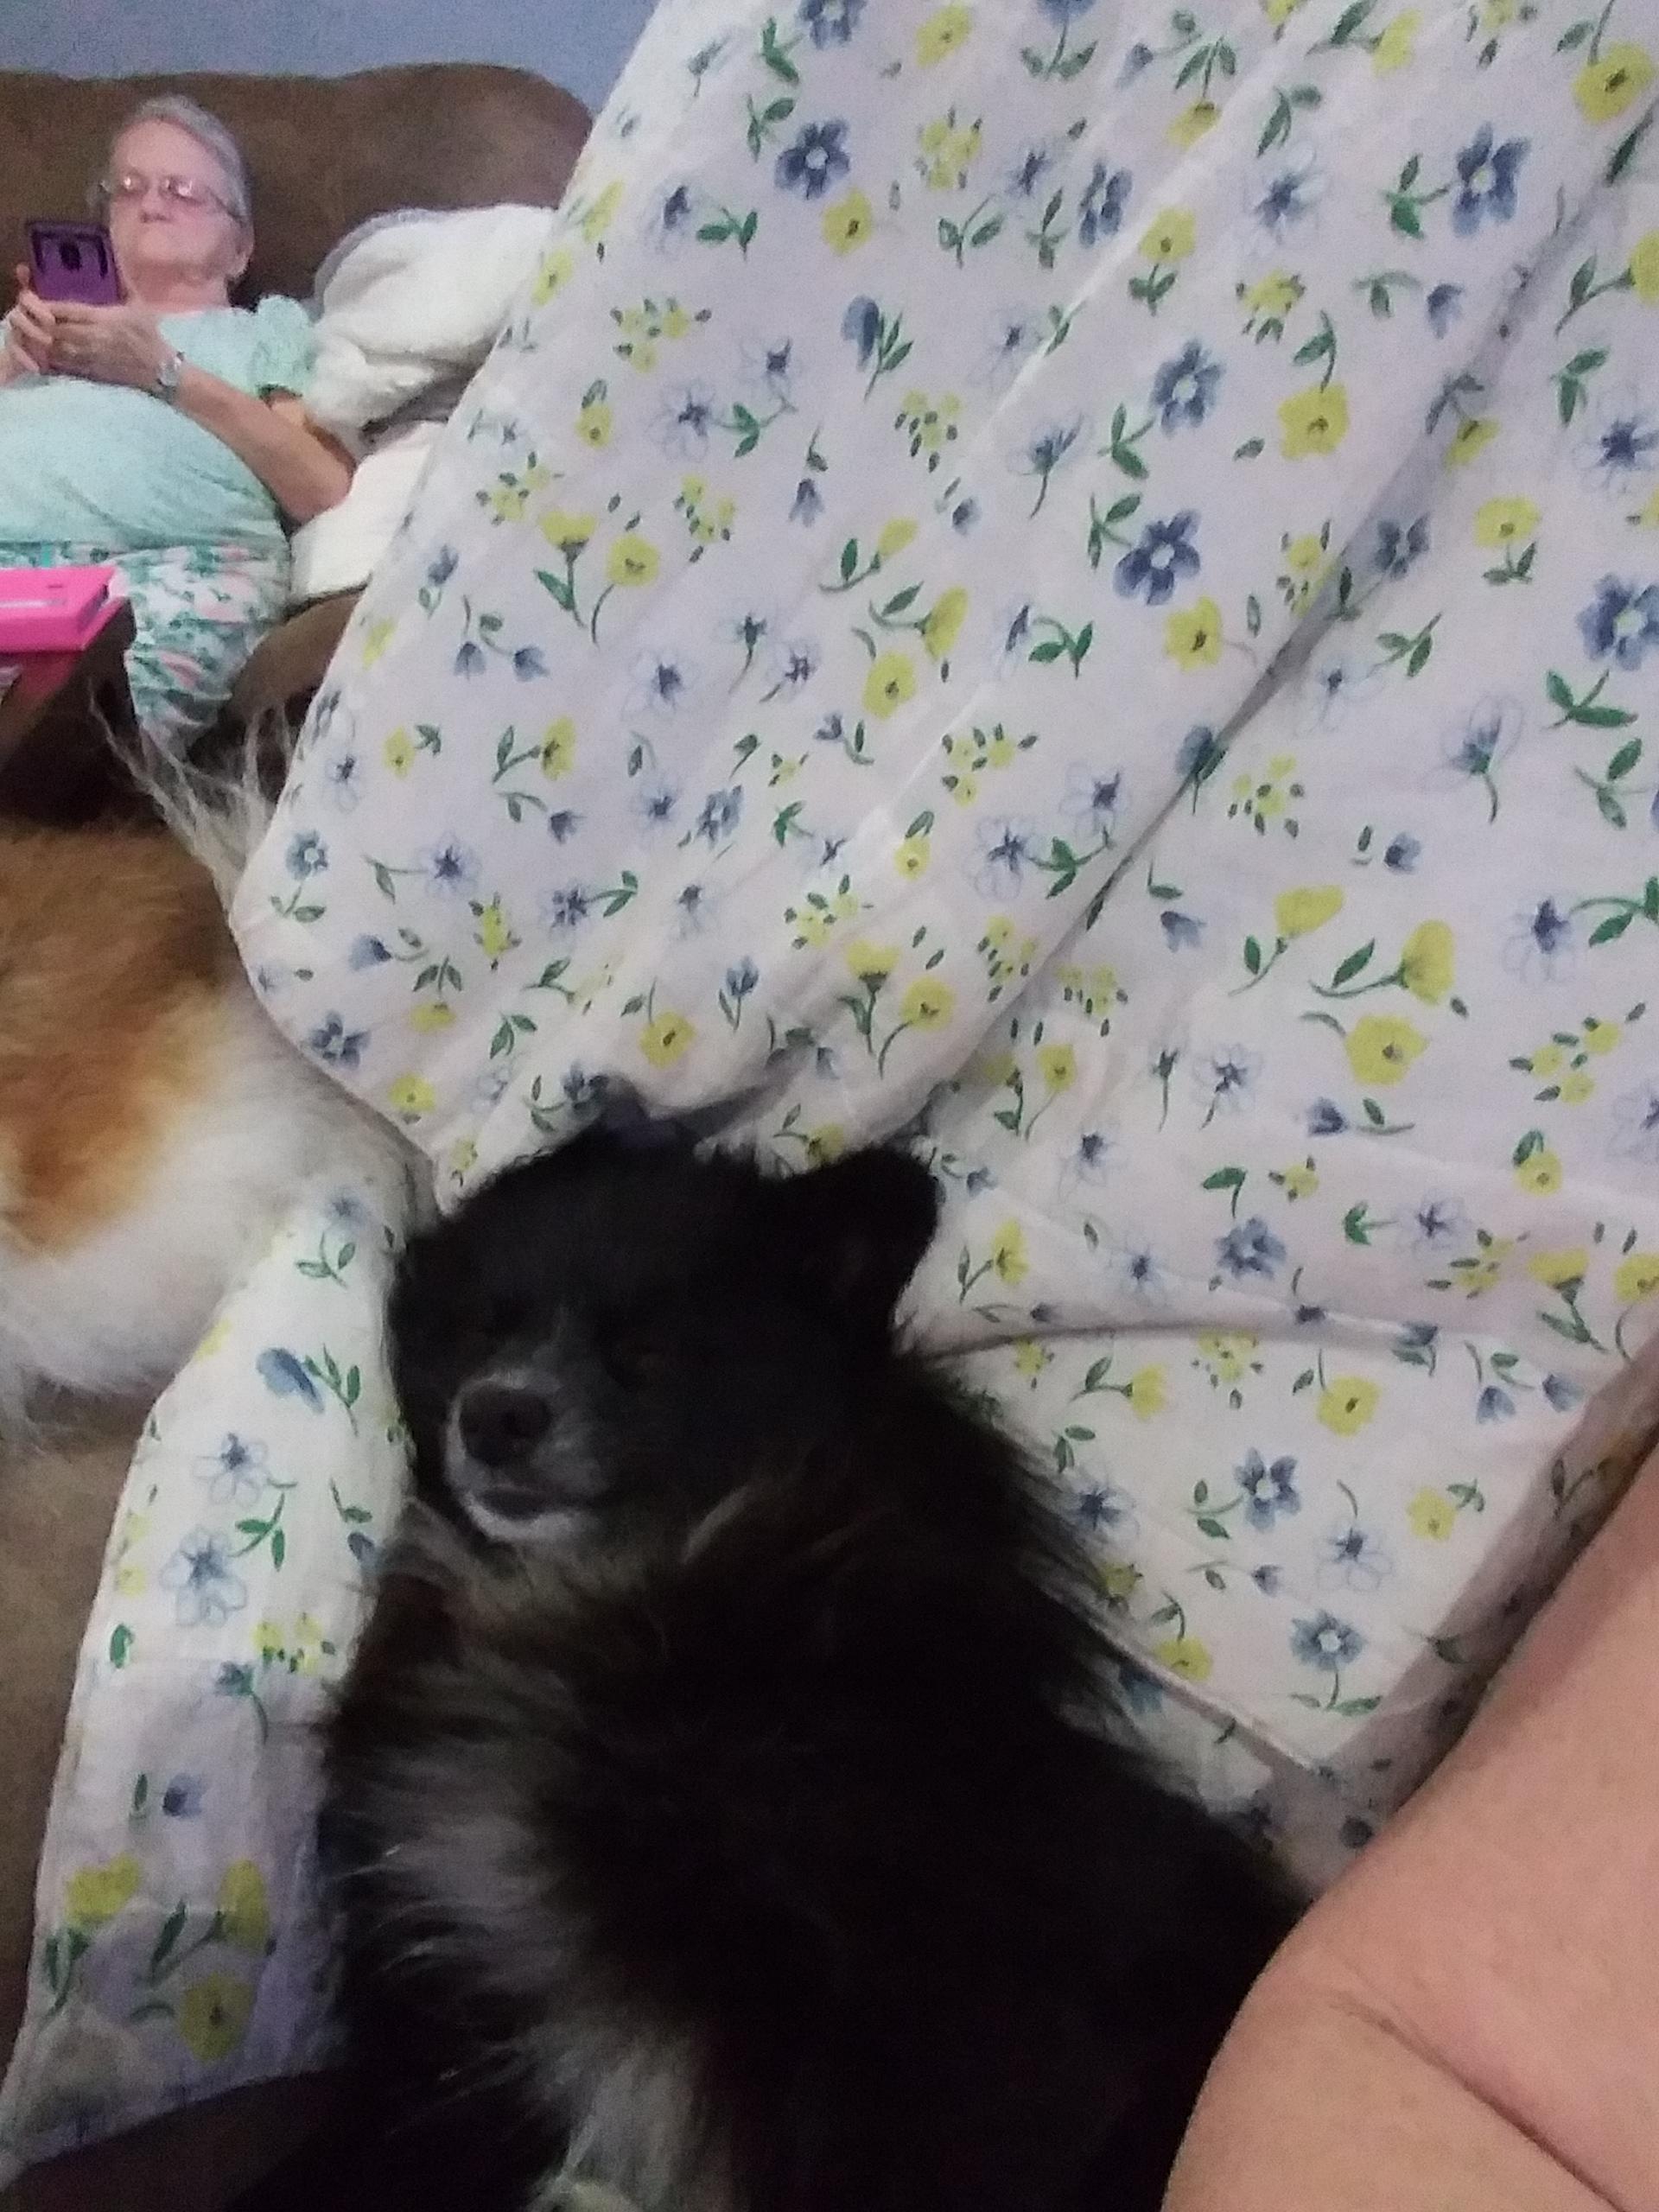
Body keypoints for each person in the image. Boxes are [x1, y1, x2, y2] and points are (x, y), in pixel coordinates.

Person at [0, 95, 351, 753]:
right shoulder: (21, 331)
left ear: (239, 248)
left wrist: (165, 372)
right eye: (128, 188)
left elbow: (321, 487)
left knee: (85, 712)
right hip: (7, 566)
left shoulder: (262, 332)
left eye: (183, 191)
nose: (151, 205)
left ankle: (58, 730)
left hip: (170, 571)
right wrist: (7, 367)